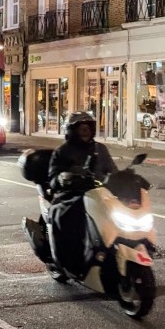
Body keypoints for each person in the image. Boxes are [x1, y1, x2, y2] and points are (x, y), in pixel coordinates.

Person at [47, 111, 117, 276]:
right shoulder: (62, 151)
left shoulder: (100, 149)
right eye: (81, 128)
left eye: (88, 127)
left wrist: (124, 181)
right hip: (72, 194)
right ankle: (66, 262)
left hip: (99, 195)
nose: (85, 131)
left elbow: (113, 171)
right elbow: (53, 178)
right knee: (66, 217)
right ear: (73, 130)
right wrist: (63, 178)